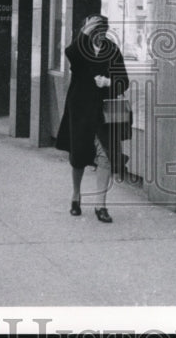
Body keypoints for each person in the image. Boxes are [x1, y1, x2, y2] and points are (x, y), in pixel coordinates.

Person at [54, 14, 129, 223]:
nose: (99, 32)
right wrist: (84, 33)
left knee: (105, 155)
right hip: (80, 110)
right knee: (78, 157)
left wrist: (108, 82)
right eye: (94, 28)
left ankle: (100, 205)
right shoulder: (80, 47)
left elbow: (124, 80)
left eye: (102, 28)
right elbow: (72, 55)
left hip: (104, 112)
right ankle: (76, 196)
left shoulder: (112, 49)